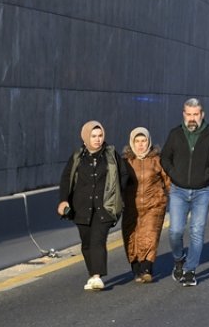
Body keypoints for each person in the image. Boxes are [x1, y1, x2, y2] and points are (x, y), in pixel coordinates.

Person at [162, 98, 209, 287]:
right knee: (175, 231)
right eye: (189, 114)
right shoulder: (175, 134)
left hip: (203, 191)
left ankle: (190, 271)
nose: (192, 118)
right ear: (184, 114)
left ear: (202, 115)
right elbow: (165, 157)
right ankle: (178, 259)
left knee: (197, 231)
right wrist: (174, 174)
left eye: (195, 114)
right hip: (178, 191)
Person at [58, 121, 130, 291]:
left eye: (100, 136)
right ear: (85, 138)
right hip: (81, 208)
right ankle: (92, 274)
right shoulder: (77, 157)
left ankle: (97, 275)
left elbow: (124, 176)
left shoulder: (111, 155)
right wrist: (63, 200)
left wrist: (117, 196)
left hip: (104, 207)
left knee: (98, 240)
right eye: (93, 136)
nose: (97, 140)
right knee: (86, 243)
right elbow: (66, 179)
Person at [122, 127, 170, 283]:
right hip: (130, 205)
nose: (140, 144)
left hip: (154, 204)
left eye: (143, 141)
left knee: (149, 233)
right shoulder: (126, 162)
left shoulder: (157, 160)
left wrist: (172, 198)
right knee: (132, 236)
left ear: (148, 141)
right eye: (137, 141)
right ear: (132, 143)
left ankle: (147, 268)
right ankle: (136, 269)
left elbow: (168, 180)